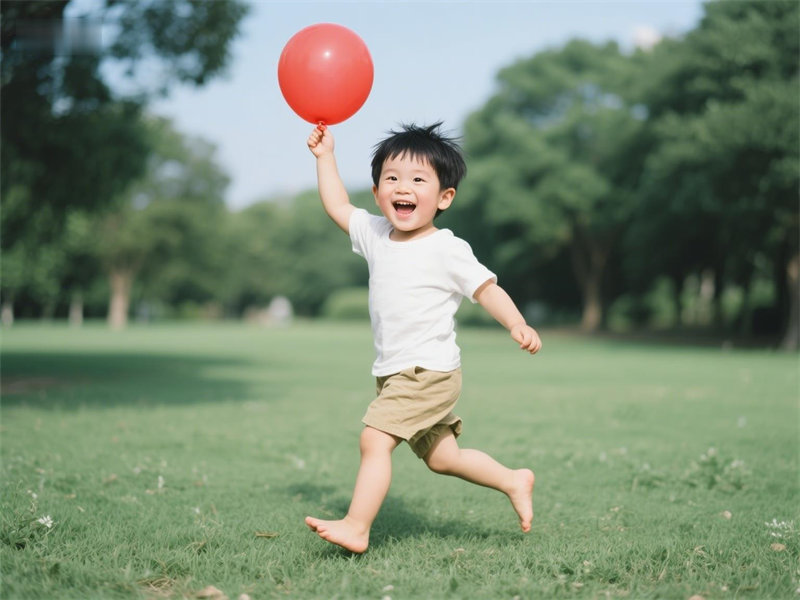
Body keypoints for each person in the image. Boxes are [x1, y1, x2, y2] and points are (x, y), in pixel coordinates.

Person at [305, 122, 542, 554]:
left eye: (418, 180)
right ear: (377, 192)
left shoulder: (446, 248)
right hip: (395, 372)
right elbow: (337, 204)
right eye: (392, 179)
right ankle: (513, 479)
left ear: (444, 197)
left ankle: (357, 527)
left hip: (427, 371)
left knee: (374, 439)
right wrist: (325, 157)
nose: (403, 188)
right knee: (442, 458)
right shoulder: (376, 235)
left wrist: (516, 323)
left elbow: (487, 288)